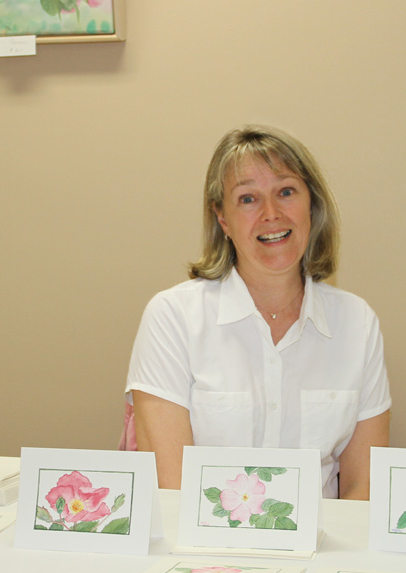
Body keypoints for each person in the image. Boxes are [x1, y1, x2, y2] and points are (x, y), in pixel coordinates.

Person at [124, 125, 391, 499]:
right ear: (223, 219)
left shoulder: (357, 322)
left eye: (285, 192)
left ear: (311, 206)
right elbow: (171, 487)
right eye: (248, 199)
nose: (271, 213)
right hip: (203, 551)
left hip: (321, 548)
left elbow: (363, 486)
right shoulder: (173, 317)